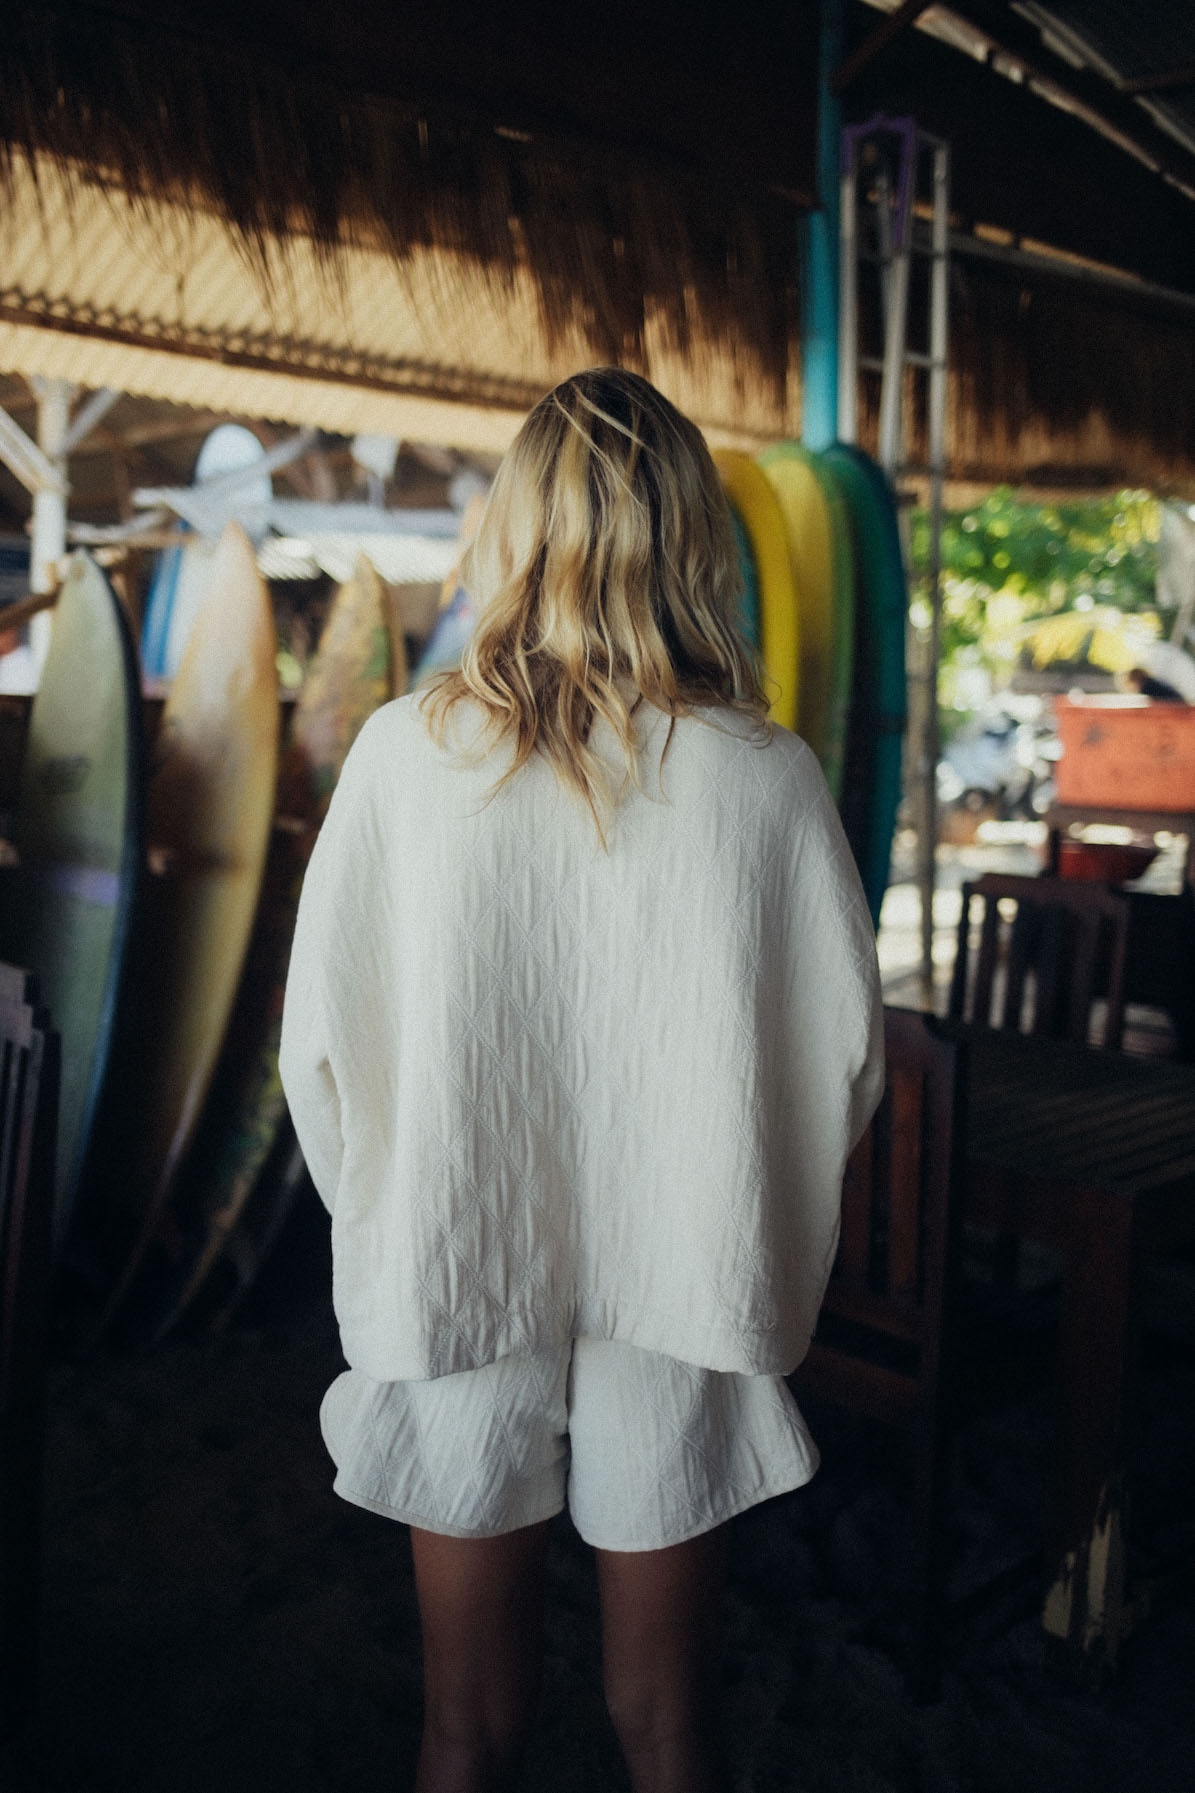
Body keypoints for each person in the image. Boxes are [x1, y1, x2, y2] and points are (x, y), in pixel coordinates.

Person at [280, 368, 883, 1793]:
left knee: (462, 1729)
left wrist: (402, 1222)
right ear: (696, 538)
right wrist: (741, 1224)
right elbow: (842, 1063)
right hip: (685, 1280)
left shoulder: (404, 759)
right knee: (671, 1729)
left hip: (458, 1261)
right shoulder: (765, 778)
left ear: (510, 526)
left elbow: (322, 1051)